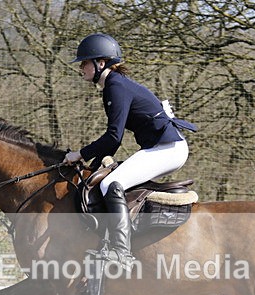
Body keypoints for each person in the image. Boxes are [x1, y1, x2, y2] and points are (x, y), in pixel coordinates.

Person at [63, 33, 196, 271]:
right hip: (163, 147)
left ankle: (121, 252)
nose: (81, 68)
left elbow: (114, 136)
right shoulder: (114, 85)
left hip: (168, 149)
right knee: (107, 180)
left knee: (110, 184)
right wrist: (92, 166)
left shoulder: (115, 86)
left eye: (84, 63)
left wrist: (80, 154)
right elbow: (113, 139)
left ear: (100, 63)